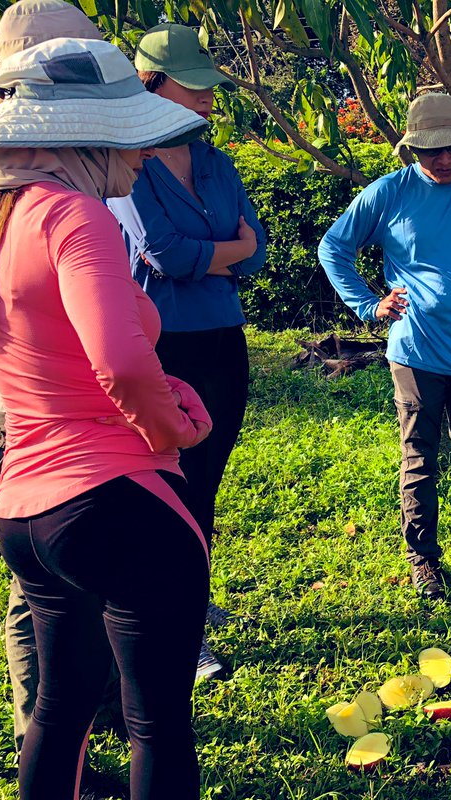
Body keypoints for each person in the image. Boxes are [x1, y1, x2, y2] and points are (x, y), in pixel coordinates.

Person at [0, 37, 256, 800]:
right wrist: (175, 428)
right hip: (120, 496)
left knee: (62, 698)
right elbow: (120, 361)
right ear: (85, 138)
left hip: (28, 508)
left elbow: (7, 352)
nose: (142, 153)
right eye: (129, 136)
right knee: (158, 718)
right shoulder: (73, 215)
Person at [0, 0, 133, 797]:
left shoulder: (79, 147)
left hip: (99, 414)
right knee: (43, 596)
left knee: (100, 581)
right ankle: (50, 752)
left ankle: (102, 715)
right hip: (28, 417)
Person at [318, 92, 451, 600]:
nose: (446, 158)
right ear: (411, 149)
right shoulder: (388, 194)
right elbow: (333, 248)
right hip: (415, 353)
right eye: (432, 150)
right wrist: (370, 305)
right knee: (419, 456)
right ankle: (423, 558)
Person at [108, 23, 267, 680]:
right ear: (150, 85)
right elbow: (164, 256)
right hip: (163, 344)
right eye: (191, 87)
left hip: (223, 341)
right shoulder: (128, 165)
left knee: (206, 484)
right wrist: (223, 251)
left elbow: (256, 253)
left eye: (209, 88)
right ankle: (171, 624)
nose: (206, 100)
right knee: (164, 486)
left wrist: (218, 257)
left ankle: (190, 603)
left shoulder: (216, 162)